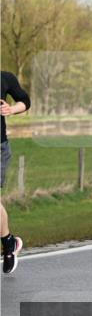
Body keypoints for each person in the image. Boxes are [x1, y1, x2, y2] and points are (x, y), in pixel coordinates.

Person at [1, 71, 29, 274]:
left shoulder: (5, 78)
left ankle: (8, 243)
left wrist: (11, 109)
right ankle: (8, 240)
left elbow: (25, 101)